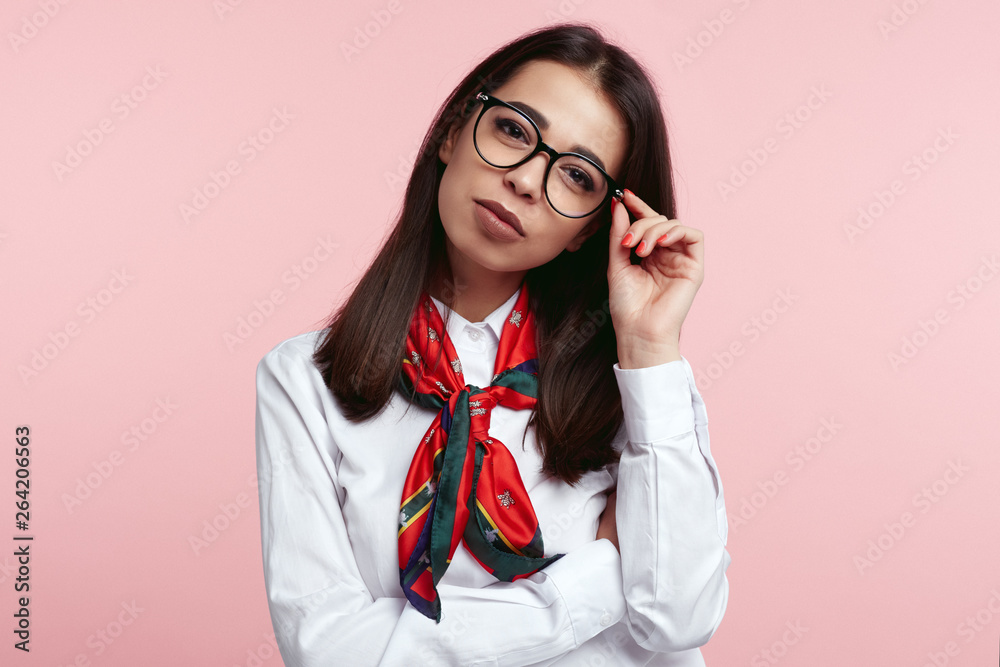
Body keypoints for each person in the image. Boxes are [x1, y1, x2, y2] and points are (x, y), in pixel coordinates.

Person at [254, 22, 730, 666]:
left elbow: (679, 617)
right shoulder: (304, 381)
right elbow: (328, 654)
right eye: (513, 130)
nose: (529, 182)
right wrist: (601, 576)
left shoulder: (636, 384)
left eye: (578, 177)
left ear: (588, 232)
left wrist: (647, 344)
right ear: (454, 130)